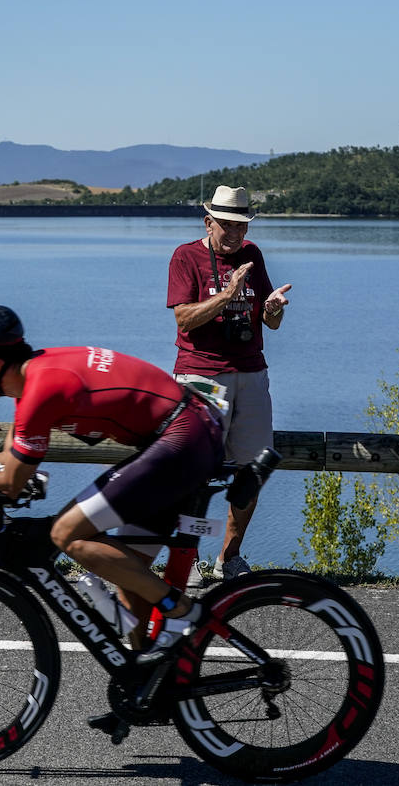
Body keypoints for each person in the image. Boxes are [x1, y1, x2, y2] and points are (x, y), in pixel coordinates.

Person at [0, 305, 224, 654]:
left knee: (66, 533)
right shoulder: (33, 379)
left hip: (181, 437)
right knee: (131, 578)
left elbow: (10, 482)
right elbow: (7, 463)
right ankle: (152, 683)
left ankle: (184, 612)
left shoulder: (42, 389)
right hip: (181, 433)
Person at [166, 185, 291, 581]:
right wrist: (228, 294)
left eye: (241, 225)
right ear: (208, 222)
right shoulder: (185, 256)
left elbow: (270, 322)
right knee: (193, 473)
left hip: (250, 373)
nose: (235, 234)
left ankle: (229, 558)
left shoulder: (252, 255)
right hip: (201, 373)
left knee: (253, 470)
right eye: (227, 225)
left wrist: (272, 310)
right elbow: (184, 319)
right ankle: (185, 561)